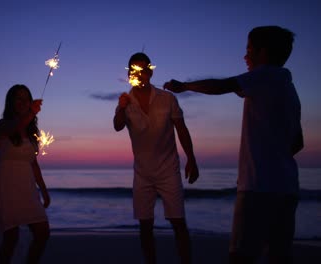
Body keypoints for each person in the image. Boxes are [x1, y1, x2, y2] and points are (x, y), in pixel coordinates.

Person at [164, 25, 303, 264]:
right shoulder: (288, 88)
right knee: (279, 256)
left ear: (263, 52)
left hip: (258, 187)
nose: (245, 56)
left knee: (241, 256)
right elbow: (297, 143)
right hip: (287, 188)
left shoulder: (265, 75)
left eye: (249, 49)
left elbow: (223, 86)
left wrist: (185, 87)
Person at [113, 52, 199, 264]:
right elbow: (117, 126)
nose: (139, 74)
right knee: (145, 225)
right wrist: (122, 108)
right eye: (134, 70)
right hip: (142, 173)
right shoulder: (126, 100)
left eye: (143, 70)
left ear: (150, 72)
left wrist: (191, 158)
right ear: (129, 73)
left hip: (168, 169)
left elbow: (181, 129)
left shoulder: (167, 98)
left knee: (178, 222)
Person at [0, 84, 50, 264]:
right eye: (18, 98)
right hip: (6, 183)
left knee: (42, 232)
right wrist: (32, 114)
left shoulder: (32, 132)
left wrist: (43, 190)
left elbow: (33, 162)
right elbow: (16, 127)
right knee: (10, 236)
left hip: (26, 185)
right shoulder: (2, 125)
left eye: (25, 98)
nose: (22, 102)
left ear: (30, 102)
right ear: (10, 102)